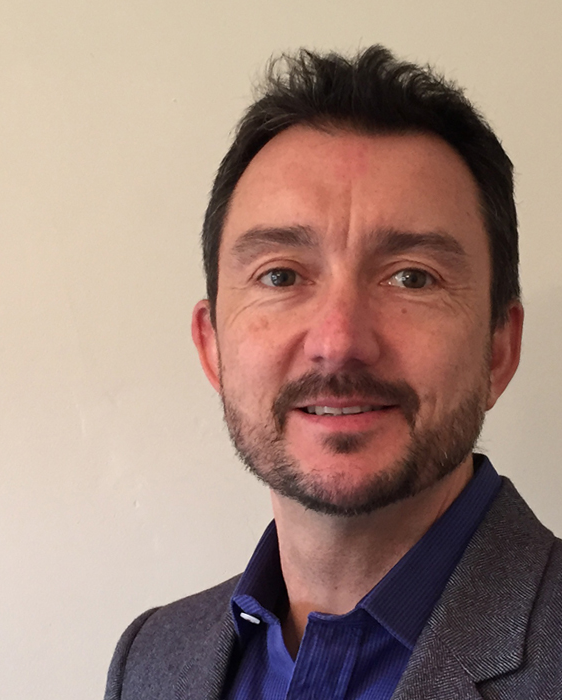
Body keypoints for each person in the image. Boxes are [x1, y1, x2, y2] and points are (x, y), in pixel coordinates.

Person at [104, 46, 562, 699]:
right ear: (213, 347)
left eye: (412, 277)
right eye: (280, 276)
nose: (339, 342)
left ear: (499, 349)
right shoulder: (150, 659)